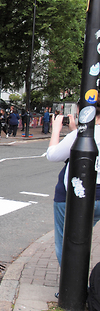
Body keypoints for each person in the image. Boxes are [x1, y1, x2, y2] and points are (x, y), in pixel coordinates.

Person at [47, 102, 100, 266]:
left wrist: (56, 129)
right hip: (98, 197)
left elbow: (53, 155)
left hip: (73, 196)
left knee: (67, 243)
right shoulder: (78, 134)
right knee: (82, 240)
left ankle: (72, 289)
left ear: (81, 111)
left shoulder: (80, 134)